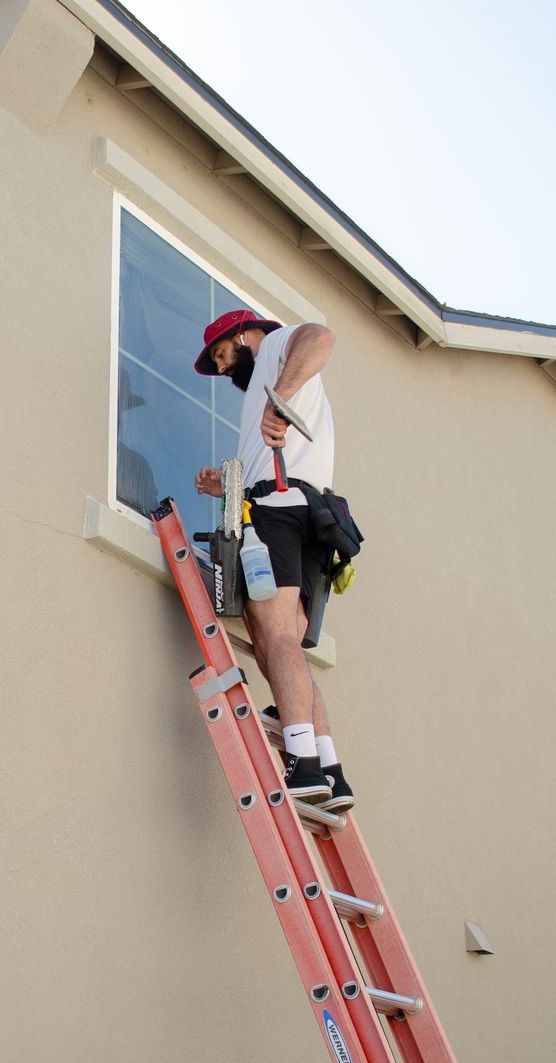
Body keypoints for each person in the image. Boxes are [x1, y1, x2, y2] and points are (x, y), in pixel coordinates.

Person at [191, 309, 353, 812]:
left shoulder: (278, 347)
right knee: (279, 643)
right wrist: (228, 488)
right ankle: (329, 767)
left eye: (221, 356)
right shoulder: (272, 377)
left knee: (276, 635)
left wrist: (278, 399)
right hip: (308, 513)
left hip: (279, 513)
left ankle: (302, 760)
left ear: (243, 335)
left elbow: (320, 336)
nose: (221, 370)